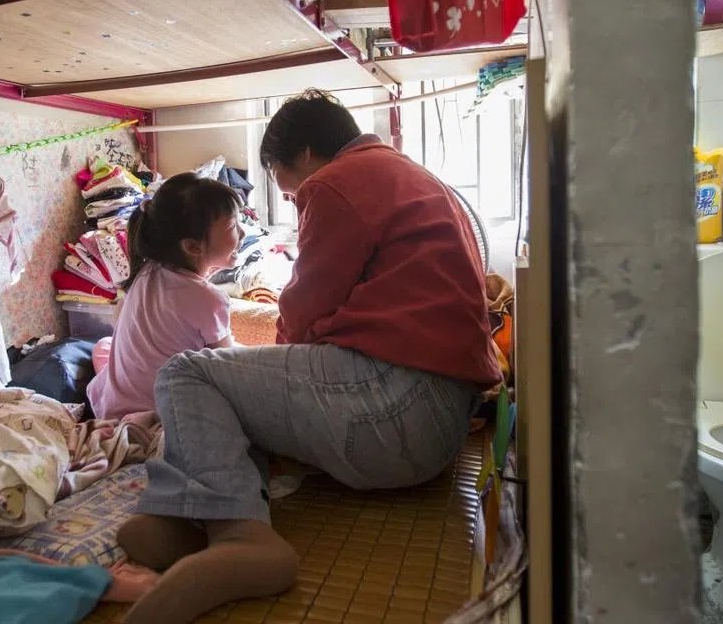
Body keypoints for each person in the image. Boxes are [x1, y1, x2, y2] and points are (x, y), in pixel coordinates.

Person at [118, 90, 501, 624]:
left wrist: (271, 386)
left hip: (398, 407)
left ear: (301, 156)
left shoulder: (336, 182)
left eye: (277, 176)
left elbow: (301, 311)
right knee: (231, 384)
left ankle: (239, 535)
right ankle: (192, 517)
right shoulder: (407, 176)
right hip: (436, 422)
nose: (290, 196)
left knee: (187, 375)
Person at [86, 173, 244, 422]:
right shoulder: (209, 299)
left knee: (105, 346)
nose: (243, 233)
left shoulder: (147, 271)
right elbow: (227, 367)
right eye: (233, 226)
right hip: (157, 415)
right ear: (192, 247)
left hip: (111, 406)